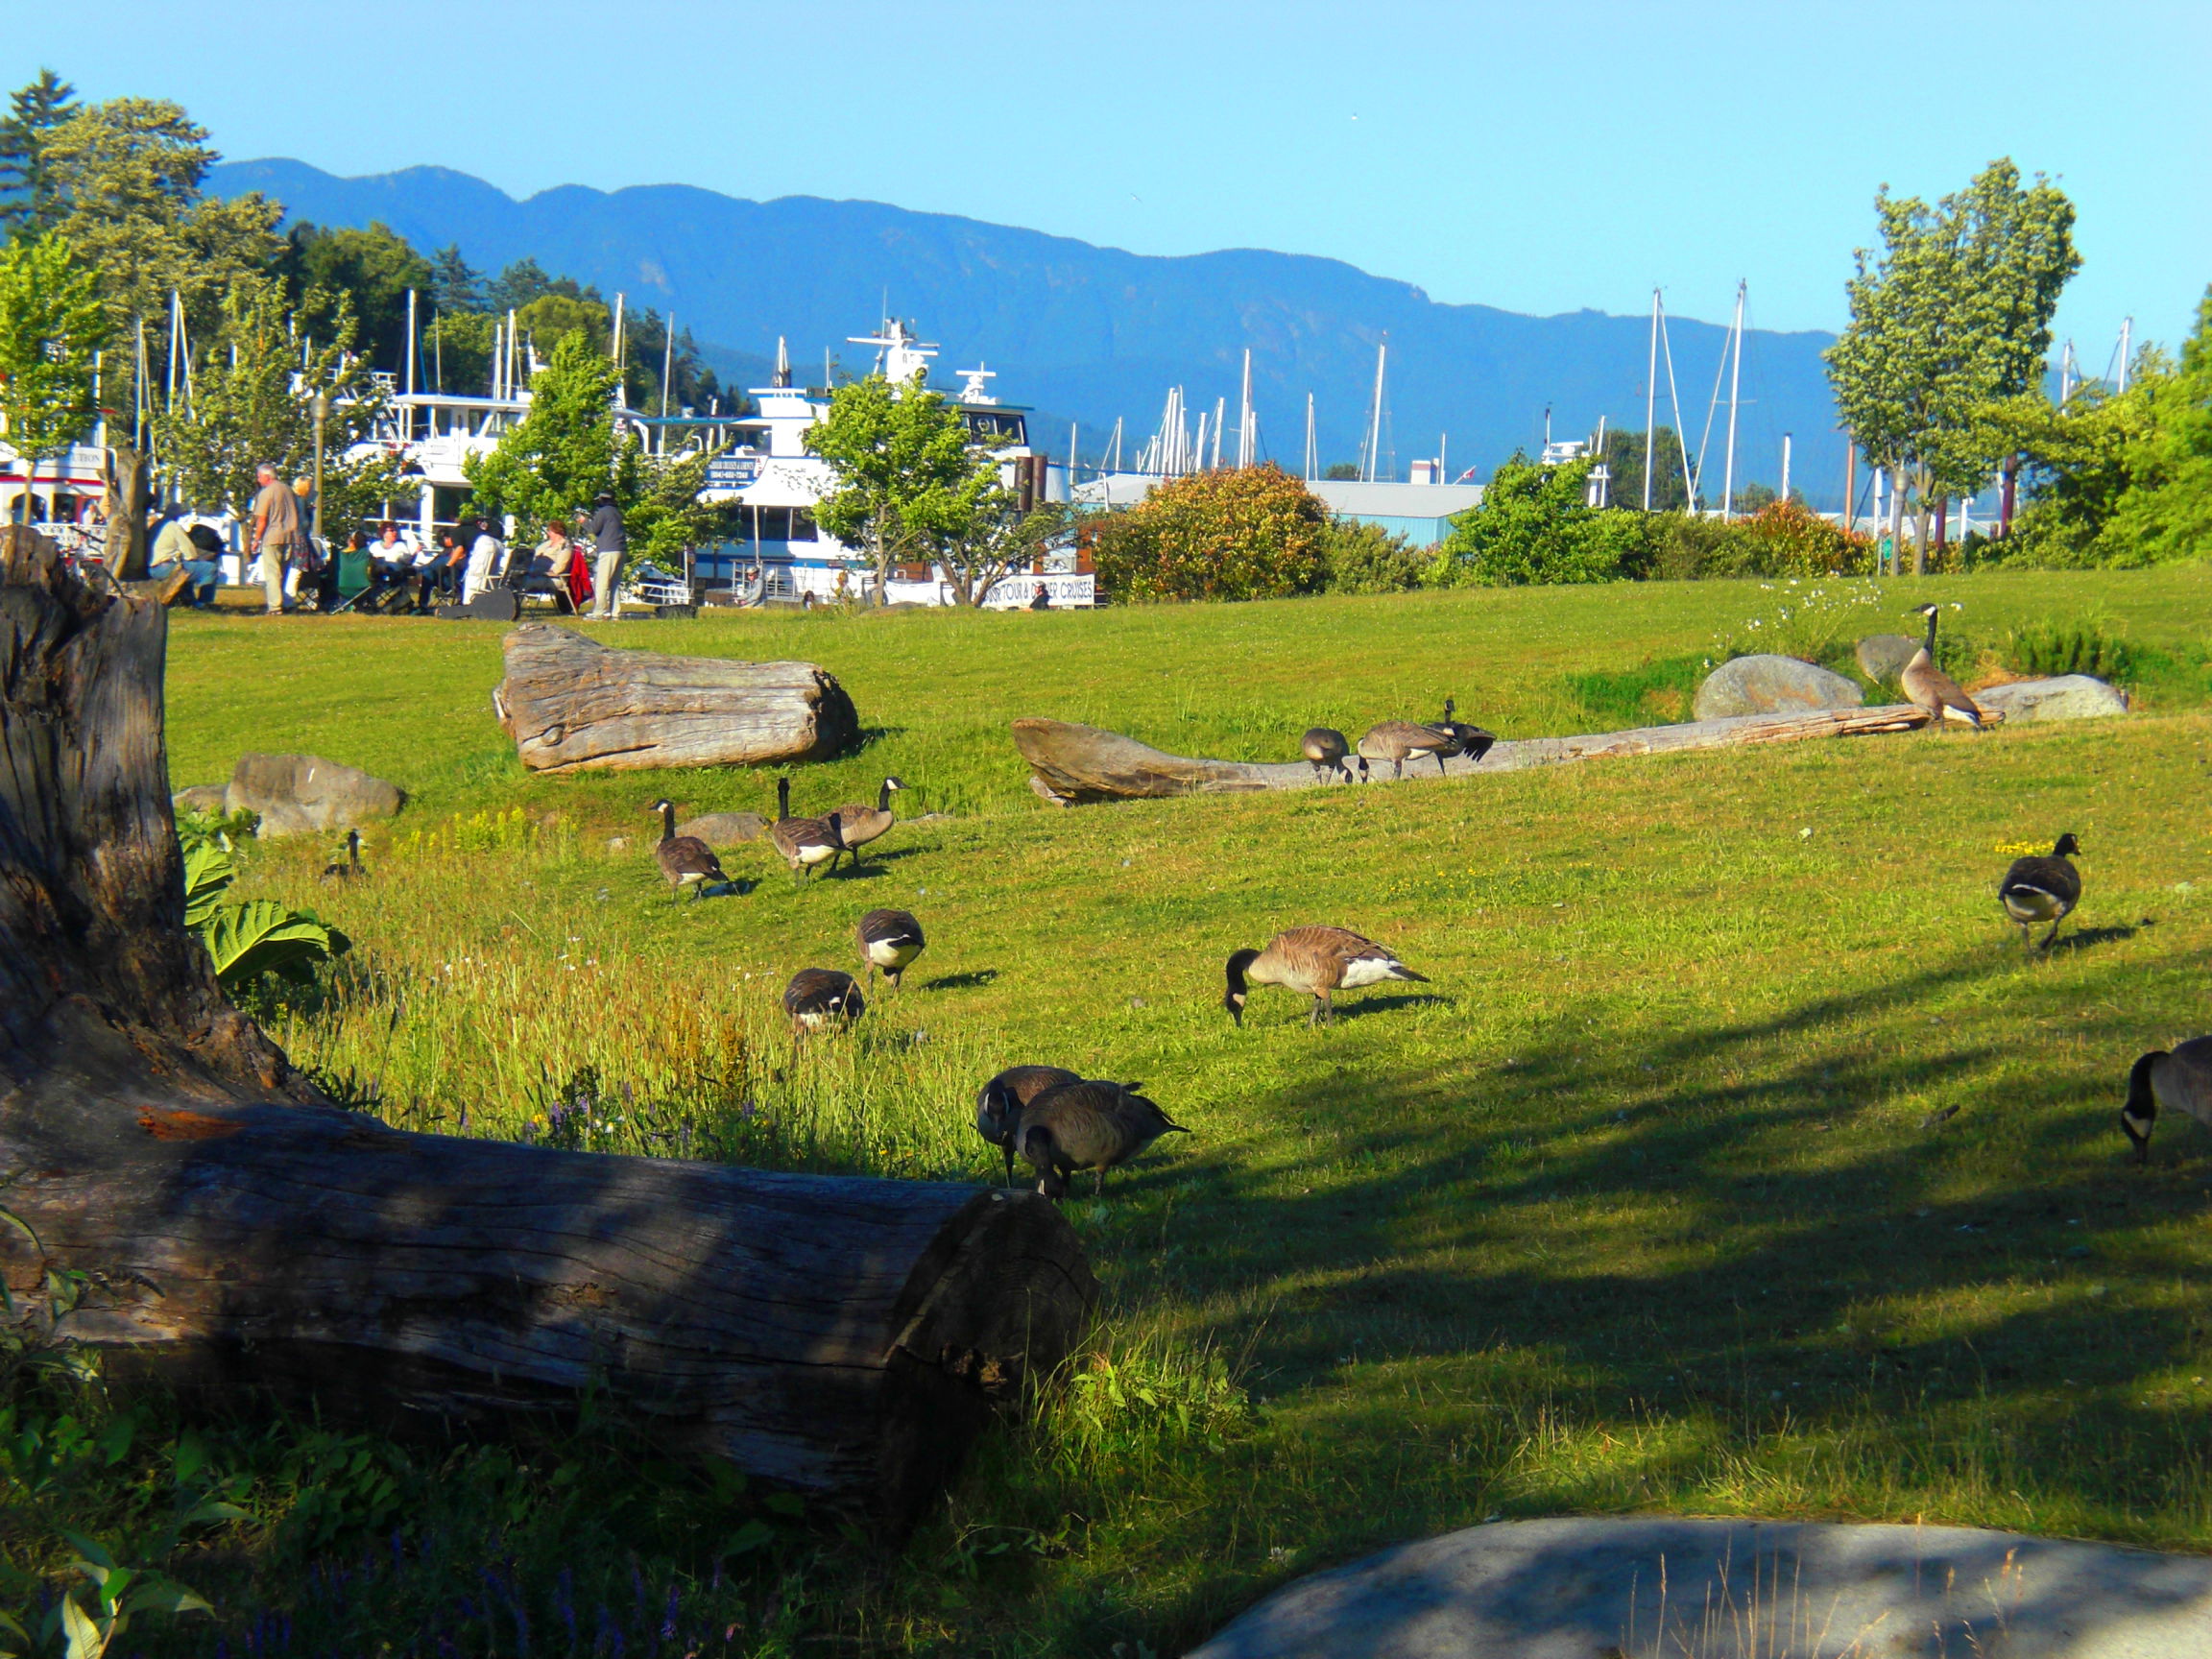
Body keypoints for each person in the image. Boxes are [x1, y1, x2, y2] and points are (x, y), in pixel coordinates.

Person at [248, 462, 302, 614]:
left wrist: (256, 539)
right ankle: (283, 601)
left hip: (272, 536)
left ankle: (274, 607)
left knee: (272, 572)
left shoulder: (266, 493)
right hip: (291, 535)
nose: (258, 480)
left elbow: (262, 519)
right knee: (283, 572)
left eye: (259, 476)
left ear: (267, 476)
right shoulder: (288, 490)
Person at [146, 505, 219, 606]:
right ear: (177, 515)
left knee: (188, 568)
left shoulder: (155, 526)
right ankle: (204, 602)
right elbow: (189, 552)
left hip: (151, 568)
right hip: (165, 567)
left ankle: (189, 600)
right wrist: (196, 558)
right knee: (210, 568)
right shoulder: (173, 526)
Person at [584, 492, 625, 618]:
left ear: (602, 500)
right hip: (621, 549)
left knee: (601, 582)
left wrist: (583, 521)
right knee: (615, 583)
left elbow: (593, 529)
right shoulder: (617, 513)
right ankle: (615, 612)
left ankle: (598, 612)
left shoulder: (603, 512)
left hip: (608, 551)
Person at [462, 517, 505, 603]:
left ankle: (470, 602)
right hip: (499, 545)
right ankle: (488, 601)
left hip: (486, 543)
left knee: (475, 575)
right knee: (491, 575)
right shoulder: (494, 522)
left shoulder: (480, 524)